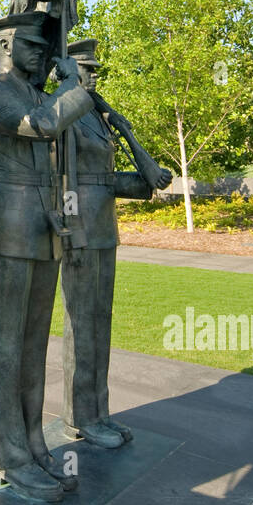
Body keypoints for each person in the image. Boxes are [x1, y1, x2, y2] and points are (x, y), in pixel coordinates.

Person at [0, 12, 94, 501]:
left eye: (46, 45)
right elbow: (42, 127)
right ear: (5, 43)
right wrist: (76, 85)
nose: (43, 52)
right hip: (8, 219)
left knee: (32, 344)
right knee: (3, 347)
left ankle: (32, 442)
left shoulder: (40, 93)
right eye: (31, 43)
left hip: (43, 221)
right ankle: (7, 454)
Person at [61, 37, 172, 448]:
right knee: (82, 327)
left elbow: (101, 180)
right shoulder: (65, 116)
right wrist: (69, 229)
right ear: (68, 71)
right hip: (81, 232)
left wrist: (140, 170)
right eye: (86, 70)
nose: (93, 77)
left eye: (94, 72)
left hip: (104, 229)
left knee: (99, 324)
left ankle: (98, 412)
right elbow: (63, 179)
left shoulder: (97, 116)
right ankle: (80, 416)